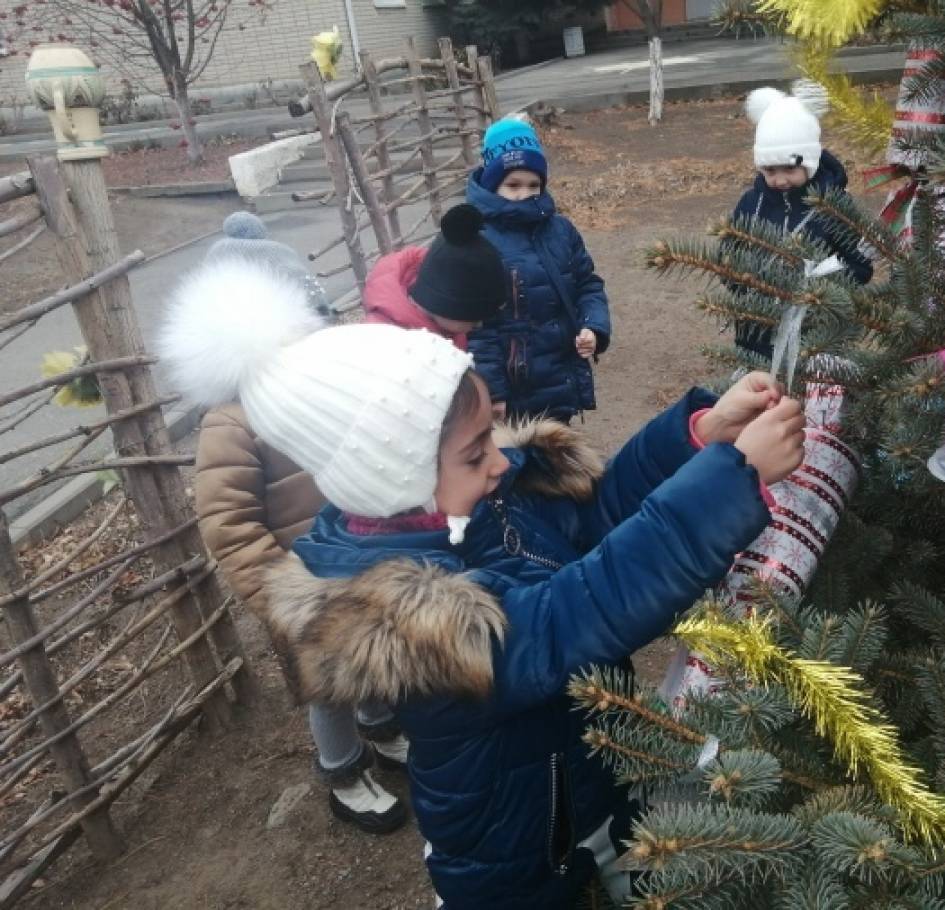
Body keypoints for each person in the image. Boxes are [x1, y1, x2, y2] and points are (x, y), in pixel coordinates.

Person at [157, 269, 806, 908]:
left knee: (619, 854)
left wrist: (700, 437)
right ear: (396, 476)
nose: (499, 460)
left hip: (594, 772)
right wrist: (732, 479)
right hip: (514, 858)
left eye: (490, 436)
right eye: (475, 453)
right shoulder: (407, 622)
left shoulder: (480, 504)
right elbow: (575, 615)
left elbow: (595, 522)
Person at [182, 217, 413, 835]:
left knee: (372, 650)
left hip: (357, 553)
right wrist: (283, 594)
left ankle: (382, 727)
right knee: (328, 683)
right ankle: (342, 771)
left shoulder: (319, 388)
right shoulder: (230, 422)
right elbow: (228, 523)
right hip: (300, 582)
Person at [465, 116, 610, 423]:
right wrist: (493, 392)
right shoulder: (478, 240)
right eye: (513, 185)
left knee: (557, 449)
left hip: (560, 382)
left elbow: (587, 284)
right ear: (492, 183)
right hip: (513, 393)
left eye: (534, 185)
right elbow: (477, 328)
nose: (525, 194)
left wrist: (593, 326)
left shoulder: (560, 230)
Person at [730, 83, 874, 357]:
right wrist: (742, 281)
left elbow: (859, 265)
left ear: (810, 162)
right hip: (756, 329)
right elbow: (729, 252)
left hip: (816, 332)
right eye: (770, 170)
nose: (780, 180)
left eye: (790, 168)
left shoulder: (833, 206)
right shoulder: (751, 203)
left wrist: (822, 292)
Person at [362, 204, 509, 349]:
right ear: (447, 307)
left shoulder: (444, 325)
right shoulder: (383, 342)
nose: (479, 325)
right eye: (474, 319)